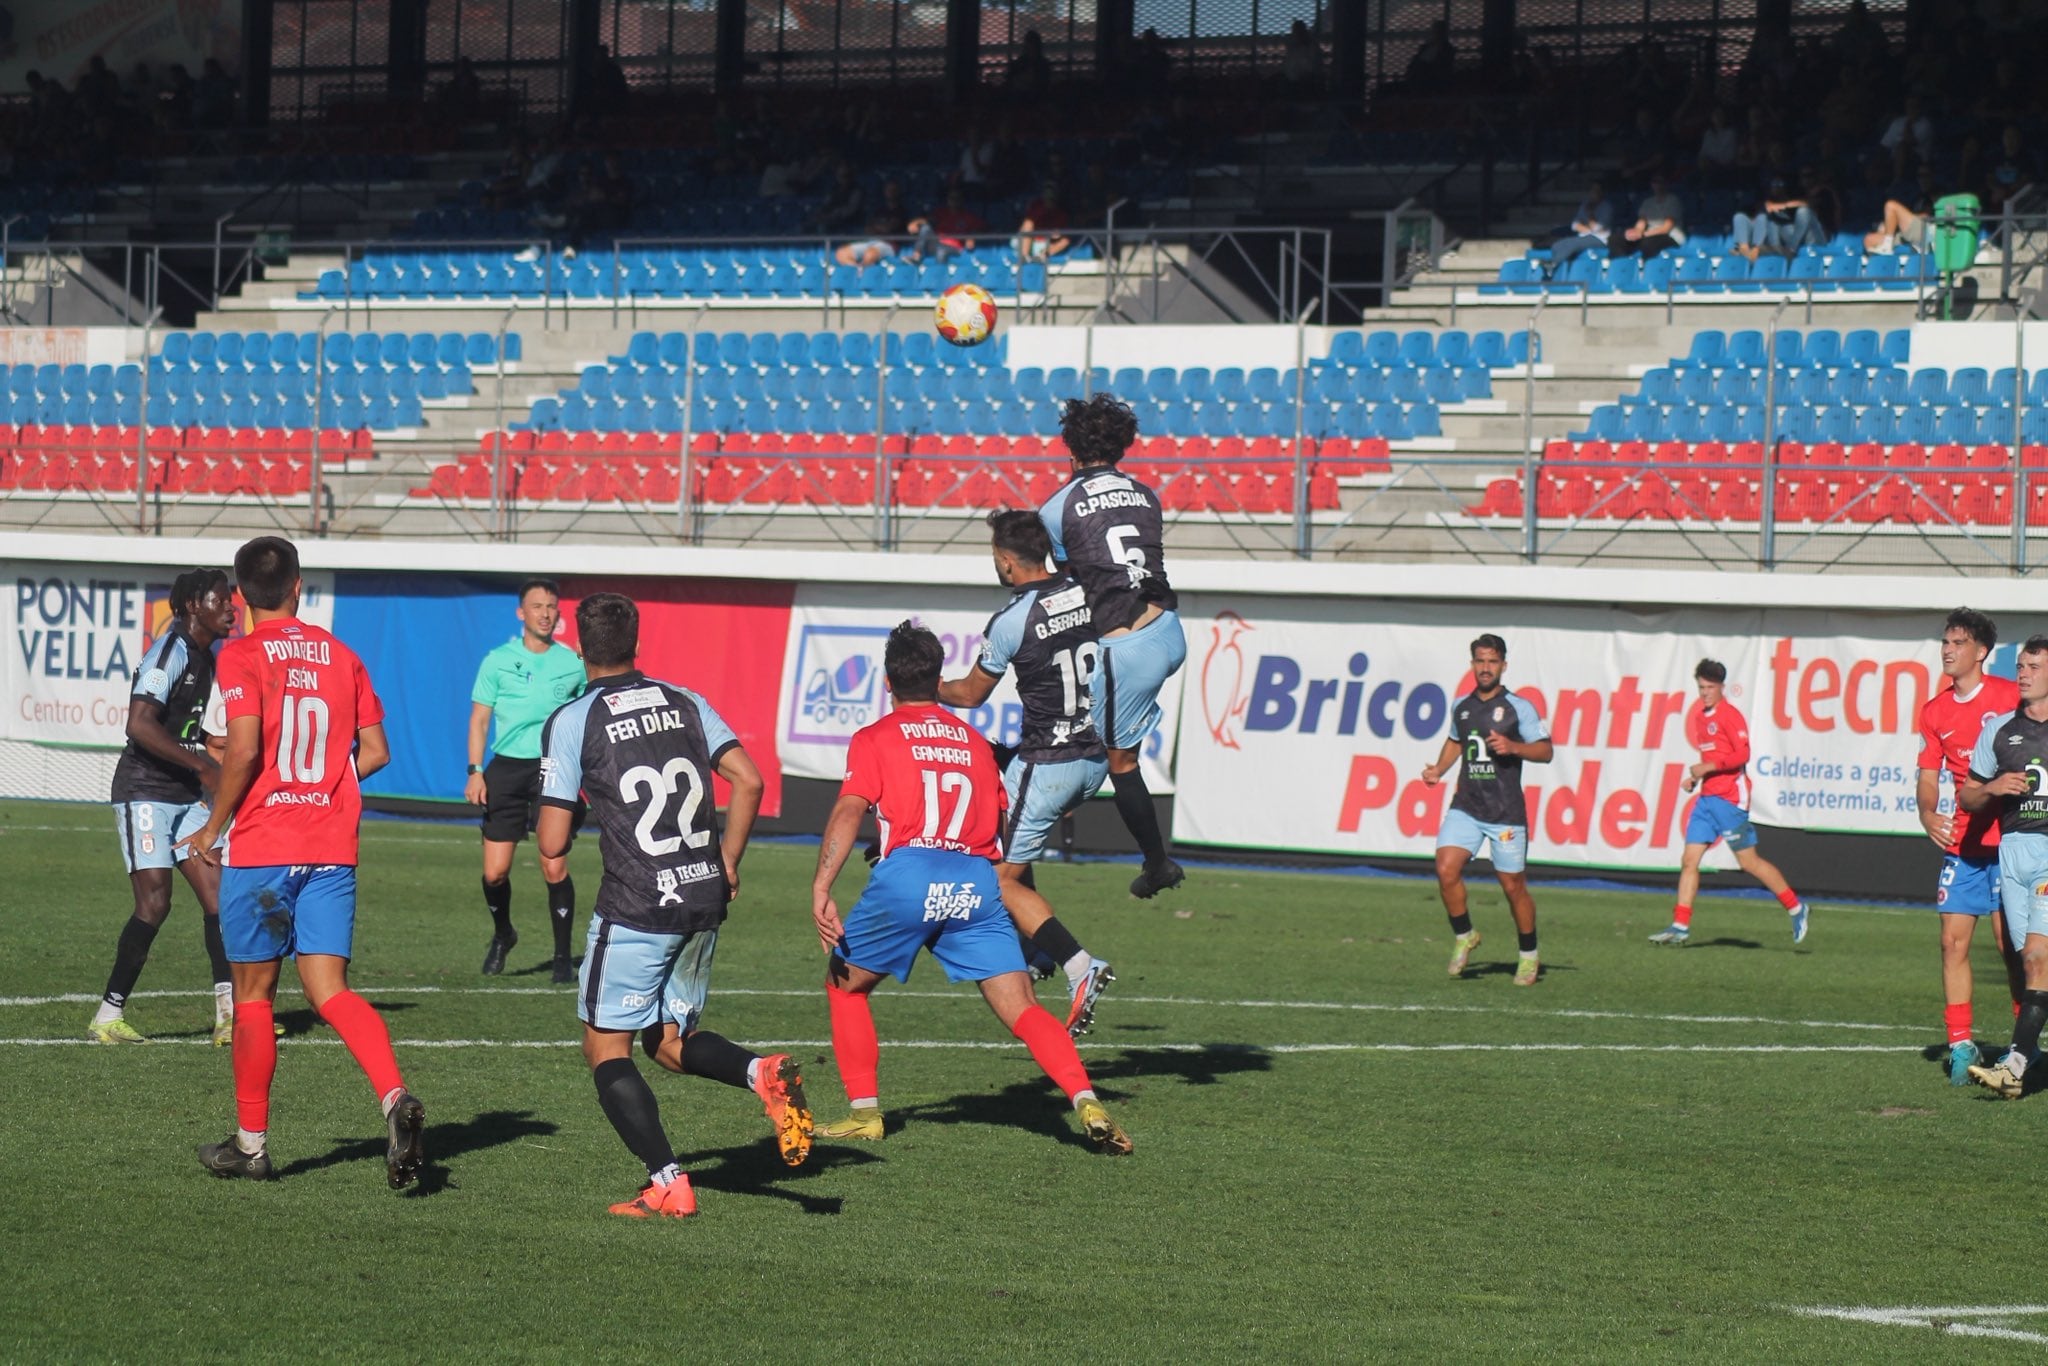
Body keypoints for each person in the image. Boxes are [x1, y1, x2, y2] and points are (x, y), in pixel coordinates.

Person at [808, 621, 1132, 1154]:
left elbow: (849, 809)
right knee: (1022, 1007)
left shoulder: (874, 738)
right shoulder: (976, 745)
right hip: (974, 884)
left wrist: (823, 885)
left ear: (887, 682)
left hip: (909, 880)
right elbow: (995, 832)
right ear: (939, 681)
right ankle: (1085, 1100)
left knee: (845, 987)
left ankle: (865, 1114)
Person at [537, 592, 808, 1216]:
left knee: (605, 1050)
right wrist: (727, 859)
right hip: (702, 892)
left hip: (638, 902)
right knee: (666, 1042)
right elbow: (750, 780)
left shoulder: (575, 718)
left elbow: (552, 841)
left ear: (580, 650)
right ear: (637, 644)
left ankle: (667, 1183)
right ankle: (760, 1073)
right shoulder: (685, 700)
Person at [182, 536, 425, 1187]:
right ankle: (394, 1096)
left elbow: (240, 749)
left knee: (253, 998)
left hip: (265, 847)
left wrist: (213, 825)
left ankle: (251, 1146)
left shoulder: (240, 655)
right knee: (330, 991)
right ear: (298, 587)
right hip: (329, 847)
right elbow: (377, 750)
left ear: (240, 594)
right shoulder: (342, 656)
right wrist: (325, 783)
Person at [936, 511, 1116, 1036]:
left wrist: (926, 687)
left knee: (996, 879)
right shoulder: (1086, 590)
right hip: (1096, 757)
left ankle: (1079, 964)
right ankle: (1035, 950)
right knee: (1004, 830)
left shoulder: (1012, 619)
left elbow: (970, 694)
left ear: (1005, 560)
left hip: (1050, 762)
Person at [1037, 394, 1188, 899]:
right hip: (1168, 628)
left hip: (1126, 648)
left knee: (1116, 762)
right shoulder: (1146, 494)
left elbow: (1069, 579)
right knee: (1102, 741)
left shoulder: (1056, 508)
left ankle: (1157, 864)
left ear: (1070, 447)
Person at [88, 568, 239, 1045]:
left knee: (219, 898)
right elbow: (139, 724)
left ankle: (229, 1016)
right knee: (155, 903)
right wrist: (203, 767)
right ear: (194, 605)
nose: (231, 608)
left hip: (184, 794)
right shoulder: (170, 651)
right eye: (221, 600)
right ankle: (108, 1014)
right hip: (145, 791)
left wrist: (212, 751)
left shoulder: (205, 656)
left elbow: (186, 728)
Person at [1915, 609, 2025, 1084]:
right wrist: (1927, 813)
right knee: (1951, 941)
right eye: (1945, 641)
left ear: (1981, 652)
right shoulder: (1934, 711)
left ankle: (2024, 1045)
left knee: (2010, 945)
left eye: (1958, 643)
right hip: (1963, 842)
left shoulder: (2010, 696)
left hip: (2012, 839)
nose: (1947, 650)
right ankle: (1961, 1044)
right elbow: (1927, 776)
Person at [468, 578, 587, 982]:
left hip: (553, 769)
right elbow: (479, 719)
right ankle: (504, 933)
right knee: (494, 873)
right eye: (537, 606)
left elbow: (590, 713)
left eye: (551, 607)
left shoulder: (572, 663)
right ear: (522, 613)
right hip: (505, 770)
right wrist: (475, 770)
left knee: (553, 865)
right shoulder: (497, 660)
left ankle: (561, 959)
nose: (545, 614)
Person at [1647, 660, 1811, 946]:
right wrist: (1695, 778)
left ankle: (1796, 908)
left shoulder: (1730, 716)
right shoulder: (1700, 717)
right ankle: (1680, 925)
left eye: (1710, 687)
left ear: (1721, 687)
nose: (1705, 693)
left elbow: (1742, 754)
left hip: (1730, 799)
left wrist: (1707, 767)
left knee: (1749, 862)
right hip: (1706, 800)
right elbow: (1712, 757)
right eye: (1701, 687)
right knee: (1689, 860)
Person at [1420, 634, 1552, 986]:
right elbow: (1456, 740)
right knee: (1445, 868)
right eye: (1480, 661)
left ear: (1503, 665)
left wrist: (1513, 747)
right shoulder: (1461, 706)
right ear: (1472, 664)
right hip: (1466, 806)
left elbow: (1545, 751)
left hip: (1505, 812)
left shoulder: (1519, 707)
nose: (1485, 668)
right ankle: (1465, 935)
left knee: (1512, 886)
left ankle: (1528, 955)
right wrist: (1439, 769)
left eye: (1492, 661)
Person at [1958, 636, 2048, 1099]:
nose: (2023, 674)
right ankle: (2026, 1060)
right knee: (2026, 960)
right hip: (2012, 852)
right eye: (2021, 667)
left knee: (2037, 959)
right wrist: (1993, 787)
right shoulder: (1998, 730)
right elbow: (1967, 796)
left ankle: (2013, 1065)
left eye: (2034, 667)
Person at [1733, 177, 1818, 260]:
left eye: (1779, 185)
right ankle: (1744, 249)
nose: (1776, 188)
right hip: (1763, 236)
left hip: (1780, 238)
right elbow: (1761, 217)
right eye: (1774, 185)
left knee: (1769, 221)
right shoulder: (1765, 201)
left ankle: (1756, 250)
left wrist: (1782, 206)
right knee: (1740, 217)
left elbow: (1805, 204)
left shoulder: (1792, 204)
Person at [1606, 173, 1686, 260]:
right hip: (1648, 234)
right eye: (1655, 182)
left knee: (1647, 243)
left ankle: (1649, 266)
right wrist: (1636, 232)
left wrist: (1642, 234)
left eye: (1660, 182)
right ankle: (1623, 263)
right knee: (1614, 239)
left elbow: (1666, 228)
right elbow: (1642, 221)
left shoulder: (1673, 201)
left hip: (1670, 235)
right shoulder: (1648, 202)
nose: (1657, 185)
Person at [1540, 182, 1612, 274]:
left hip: (1599, 239)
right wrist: (1586, 228)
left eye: (1596, 191)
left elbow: (1597, 227)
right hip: (1583, 236)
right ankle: (1558, 270)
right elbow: (1575, 225)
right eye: (1592, 191)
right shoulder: (1585, 205)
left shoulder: (1606, 207)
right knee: (1557, 245)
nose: (1593, 194)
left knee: (1572, 244)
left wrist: (1590, 214)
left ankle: (1553, 263)